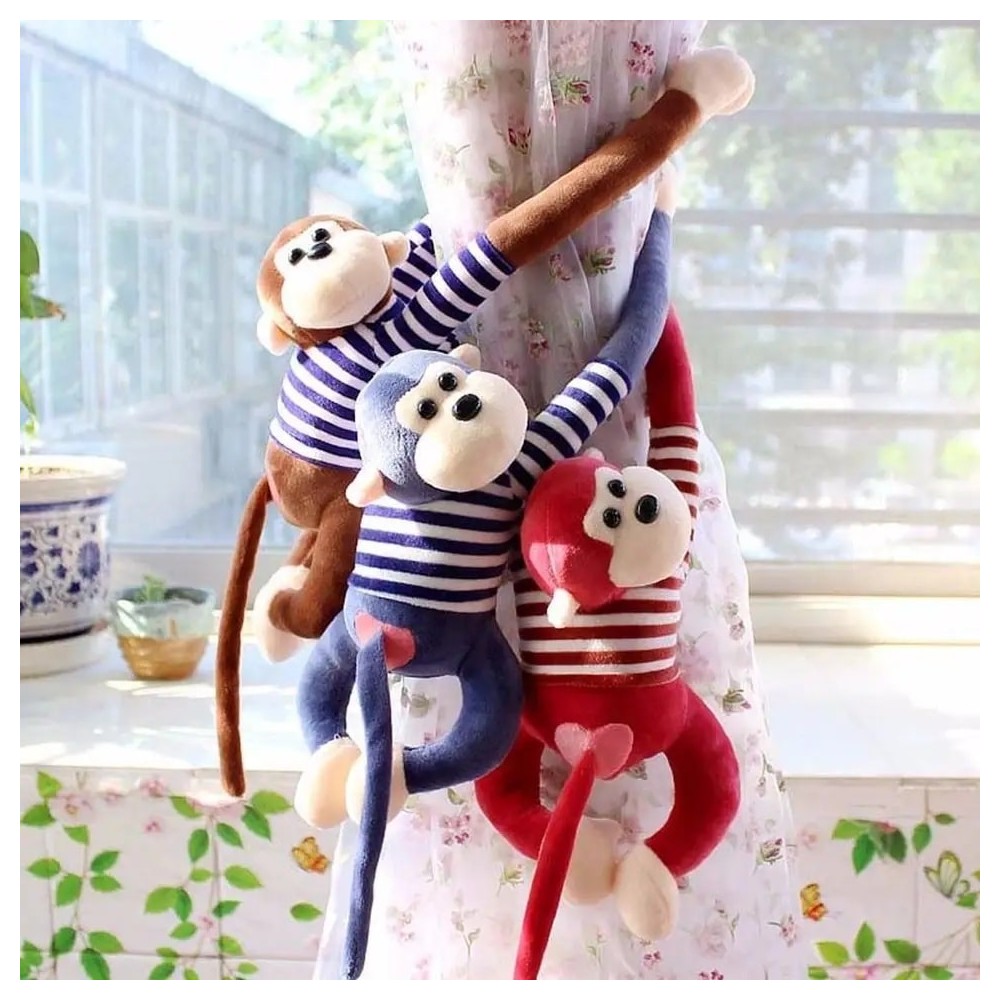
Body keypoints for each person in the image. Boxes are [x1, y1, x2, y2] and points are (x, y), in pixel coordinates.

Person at [314, 20, 807, 980]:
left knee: (523, 739)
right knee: (480, 737)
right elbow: (631, 355)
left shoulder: (545, 469)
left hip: (575, 689)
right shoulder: (518, 472)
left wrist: (653, 237)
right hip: (484, 661)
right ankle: (361, 763)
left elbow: (641, 356)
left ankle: (626, 864)